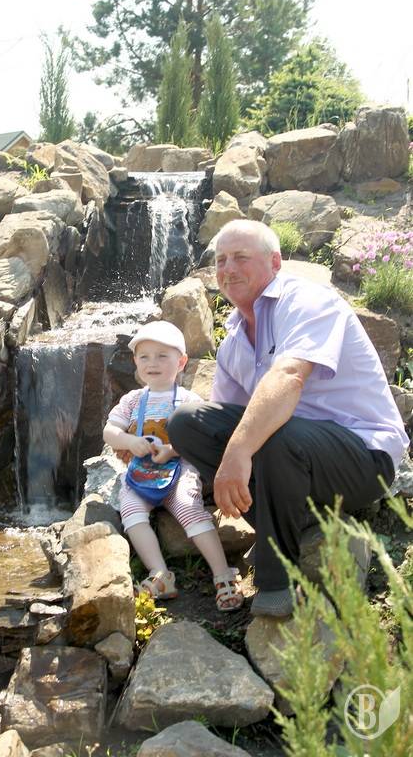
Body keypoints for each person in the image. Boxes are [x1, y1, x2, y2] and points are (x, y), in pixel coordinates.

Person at [167, 220, 409, 617]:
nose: (228, 269)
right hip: (293, 458)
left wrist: (240, 450)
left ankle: (276, 582)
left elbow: (290, 375)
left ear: (275, 262)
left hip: (363, 457)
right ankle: (291, 518)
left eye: (241, 257)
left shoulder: (307, 300)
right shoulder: (232, 343)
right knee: (186, 422)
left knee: (275, 433)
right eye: (221, 260)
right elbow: (227, 426)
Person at [103, 320, 243, 611]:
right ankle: (160, 573)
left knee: (188, 505)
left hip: (180, 469)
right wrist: (130, 442)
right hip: (141, 472)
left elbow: (201, 436)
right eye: (144, 357)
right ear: (135, 362)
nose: (152, 363)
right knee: (130, 508)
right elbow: (110, 431)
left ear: (181, 362)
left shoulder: (188, 399)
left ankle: (222, 573)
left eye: (162, 356)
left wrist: (171, 450)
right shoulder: (132, 400)